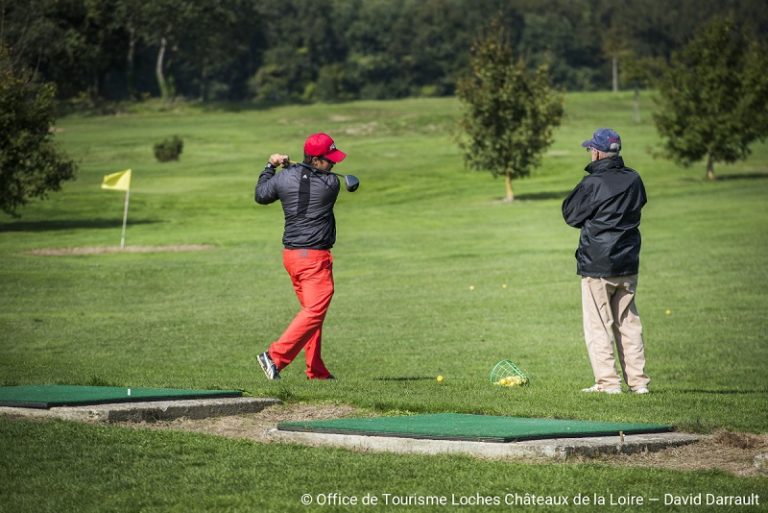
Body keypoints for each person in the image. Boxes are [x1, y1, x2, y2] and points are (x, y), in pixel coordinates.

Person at [562, 128, 650, 394]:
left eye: (591, 149)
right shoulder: (634, 179)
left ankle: (608, 384)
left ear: (598, 152)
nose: (590, 153)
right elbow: (639, 204)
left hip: (598, 264)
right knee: (628, 323)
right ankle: (639, 384)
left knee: (598, 324)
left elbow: (570, 214)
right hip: (628, 262)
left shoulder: (592, 184)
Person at [254, 132, 347, 380]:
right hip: (314, 259)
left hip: (292, 258)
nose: (334, 164)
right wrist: (294, 169)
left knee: (311, 312)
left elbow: (262, 195)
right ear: (316, 160)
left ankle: (315, 370)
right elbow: (309, 181)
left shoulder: (284, 178)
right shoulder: (331, 184)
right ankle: (274, 357)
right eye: (329, 159)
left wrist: (271, 166)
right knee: (315, 310)